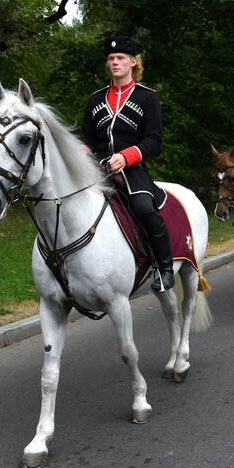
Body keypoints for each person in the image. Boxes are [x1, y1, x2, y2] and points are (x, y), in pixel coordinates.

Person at [82, 36, 174, 291]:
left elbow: (154, 139)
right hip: (96, 166)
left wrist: (127, 156)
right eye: (111, 59)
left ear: (133, 62)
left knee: (145, 209)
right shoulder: (96, 99)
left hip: (132, 168)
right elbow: (86, 137)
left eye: (120, 58)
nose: (115, 62)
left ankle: (164, 268)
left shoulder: (147, 98)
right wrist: (81, 155)